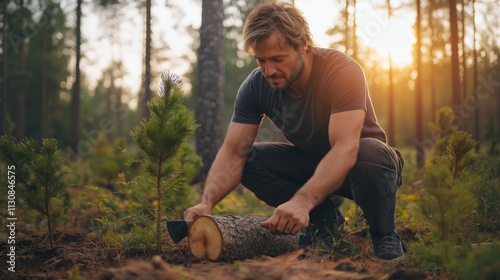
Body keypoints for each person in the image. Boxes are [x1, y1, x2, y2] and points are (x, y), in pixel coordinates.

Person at [184, 0, 407, 261]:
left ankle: (384, 235)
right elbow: (233, 152)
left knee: (369, 151)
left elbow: (346, 149)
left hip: (366, 168)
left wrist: (302, 201)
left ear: (303, 45)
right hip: (314, 165)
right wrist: (207, 201)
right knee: (250, 160)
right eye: (261, 60)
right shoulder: (256, 86)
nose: (269, 70)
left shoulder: (342, 71)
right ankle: (325, 221)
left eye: (278, 59)